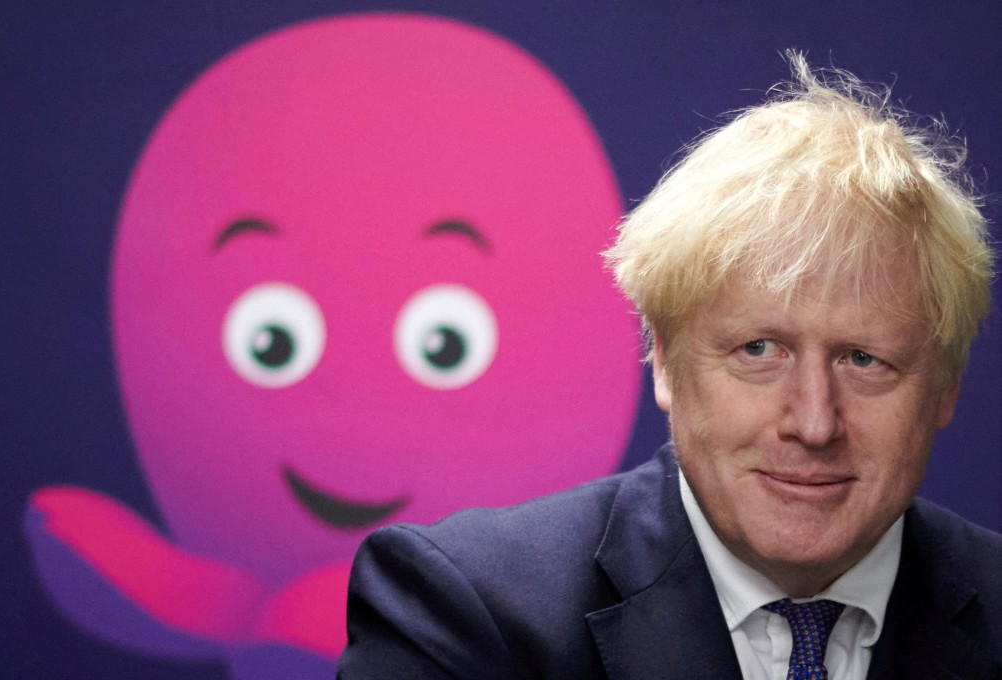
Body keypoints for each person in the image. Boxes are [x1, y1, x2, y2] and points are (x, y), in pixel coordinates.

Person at [337, 52, 1002, 679]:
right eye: (758, 351)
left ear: (946, 383)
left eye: (865, 359)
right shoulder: (466, 613)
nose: (814, 422)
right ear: (663, 357)